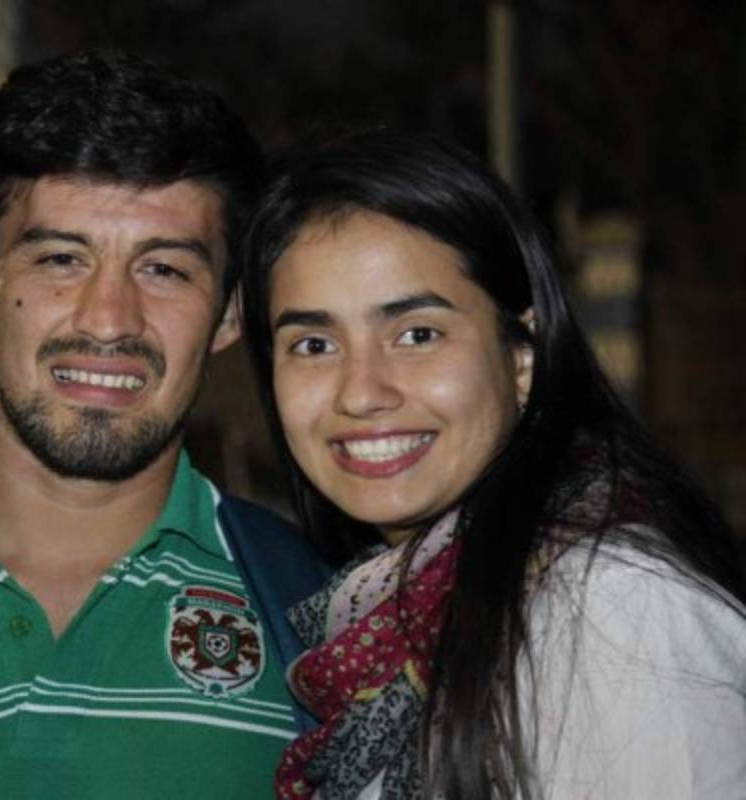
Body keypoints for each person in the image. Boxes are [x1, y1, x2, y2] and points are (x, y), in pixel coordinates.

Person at [0, 49, 331, 798]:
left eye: (164, 269)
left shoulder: (318, 618)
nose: (108, 320)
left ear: (229, 313)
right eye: (62, 259)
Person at [240, 128, 746, 799]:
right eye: (313, 344)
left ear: (521, 356)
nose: (360, 393)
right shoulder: (388, 620)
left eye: (418, 334)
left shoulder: (614, 610)